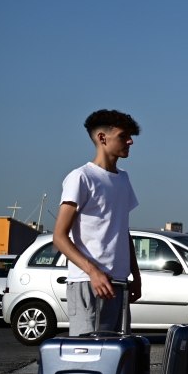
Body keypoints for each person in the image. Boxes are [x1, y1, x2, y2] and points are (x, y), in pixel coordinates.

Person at [53, 109, 143, 336]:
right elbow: (59, 237)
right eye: (124, 136)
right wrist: (93, 272)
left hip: (119, 283)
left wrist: (136, 275)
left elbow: (122, 231)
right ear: (102, 138)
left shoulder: (123, 178)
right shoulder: (81, 177)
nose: (130, 141)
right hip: (88, 282)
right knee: (88, 358)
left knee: (117, 358)